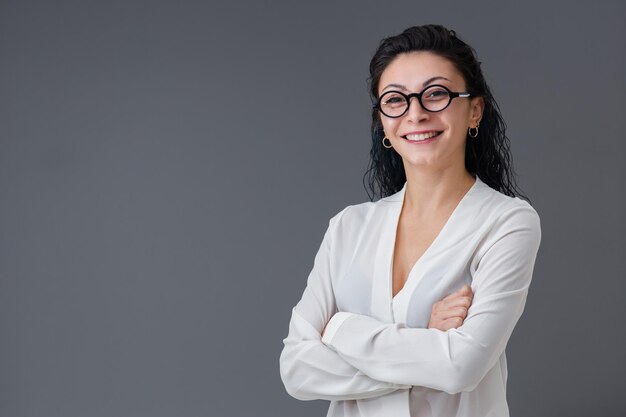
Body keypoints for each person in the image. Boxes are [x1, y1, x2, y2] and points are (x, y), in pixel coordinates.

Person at [279, 24, 541, 417]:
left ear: (474, 110)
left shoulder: (508, 222)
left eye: (436, 94)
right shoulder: (349, 227)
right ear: (383, 122)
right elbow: (297, 370)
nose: (415, 113)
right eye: (395, 100)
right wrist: (425, 339)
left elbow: (460, 366)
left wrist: (339, 330)